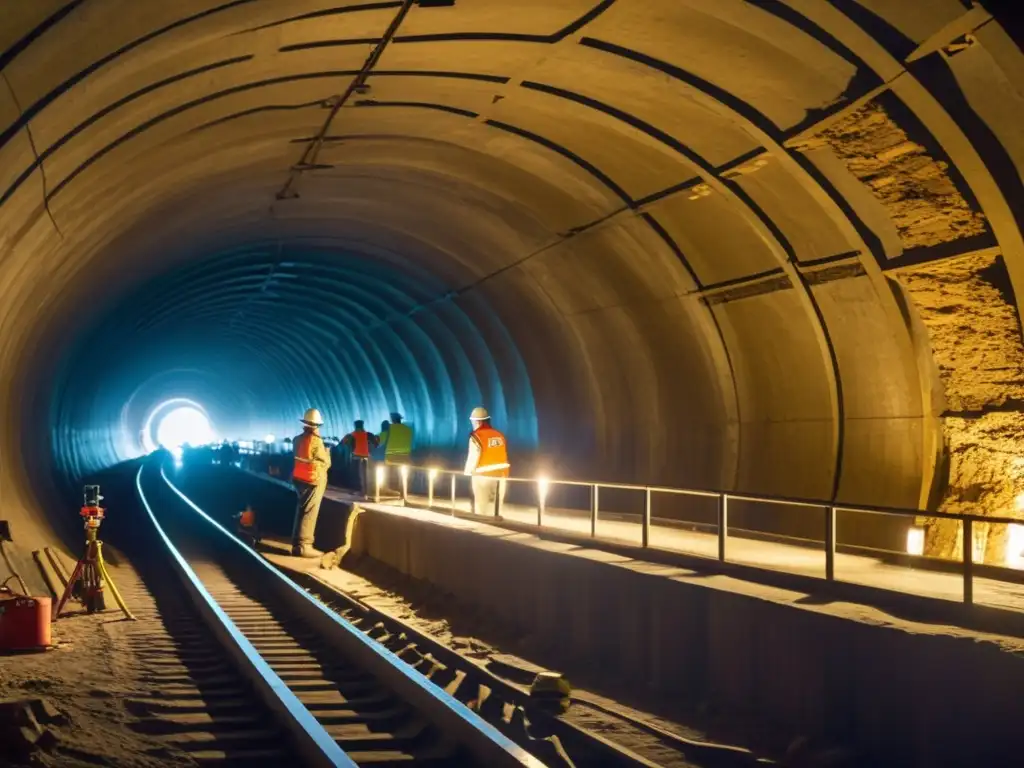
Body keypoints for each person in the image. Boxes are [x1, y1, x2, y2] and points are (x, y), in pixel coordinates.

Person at [291, 408, 331, 558]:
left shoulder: (296, 439)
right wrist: (327, 452)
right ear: (317, 425)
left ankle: (296, 543)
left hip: (298, 479)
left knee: (300, 510)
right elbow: (326, 463)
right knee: (310, 512)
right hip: (313, 479)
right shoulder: (316, 441)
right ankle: (304, 545)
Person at [464, 407, 510, 516]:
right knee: (497, 506)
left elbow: (473, 456)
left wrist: (467, 472)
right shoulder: (499, 435)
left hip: (482, 476)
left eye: (473, 421)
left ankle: (482, 524)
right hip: (500, 475)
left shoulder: (476, 436)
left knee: (481, 506)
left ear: (478, 421)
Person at [342, 420, 377, 497]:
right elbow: (376, 441)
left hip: (356, 457)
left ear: (355, 426)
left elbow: (345, 442)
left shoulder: (352, 434)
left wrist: (351, 448)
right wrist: (370, 450)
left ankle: (359, 491)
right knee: (365, 475)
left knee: (357, 475)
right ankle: (366, 491)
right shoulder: (367, 434)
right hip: (366, 457)